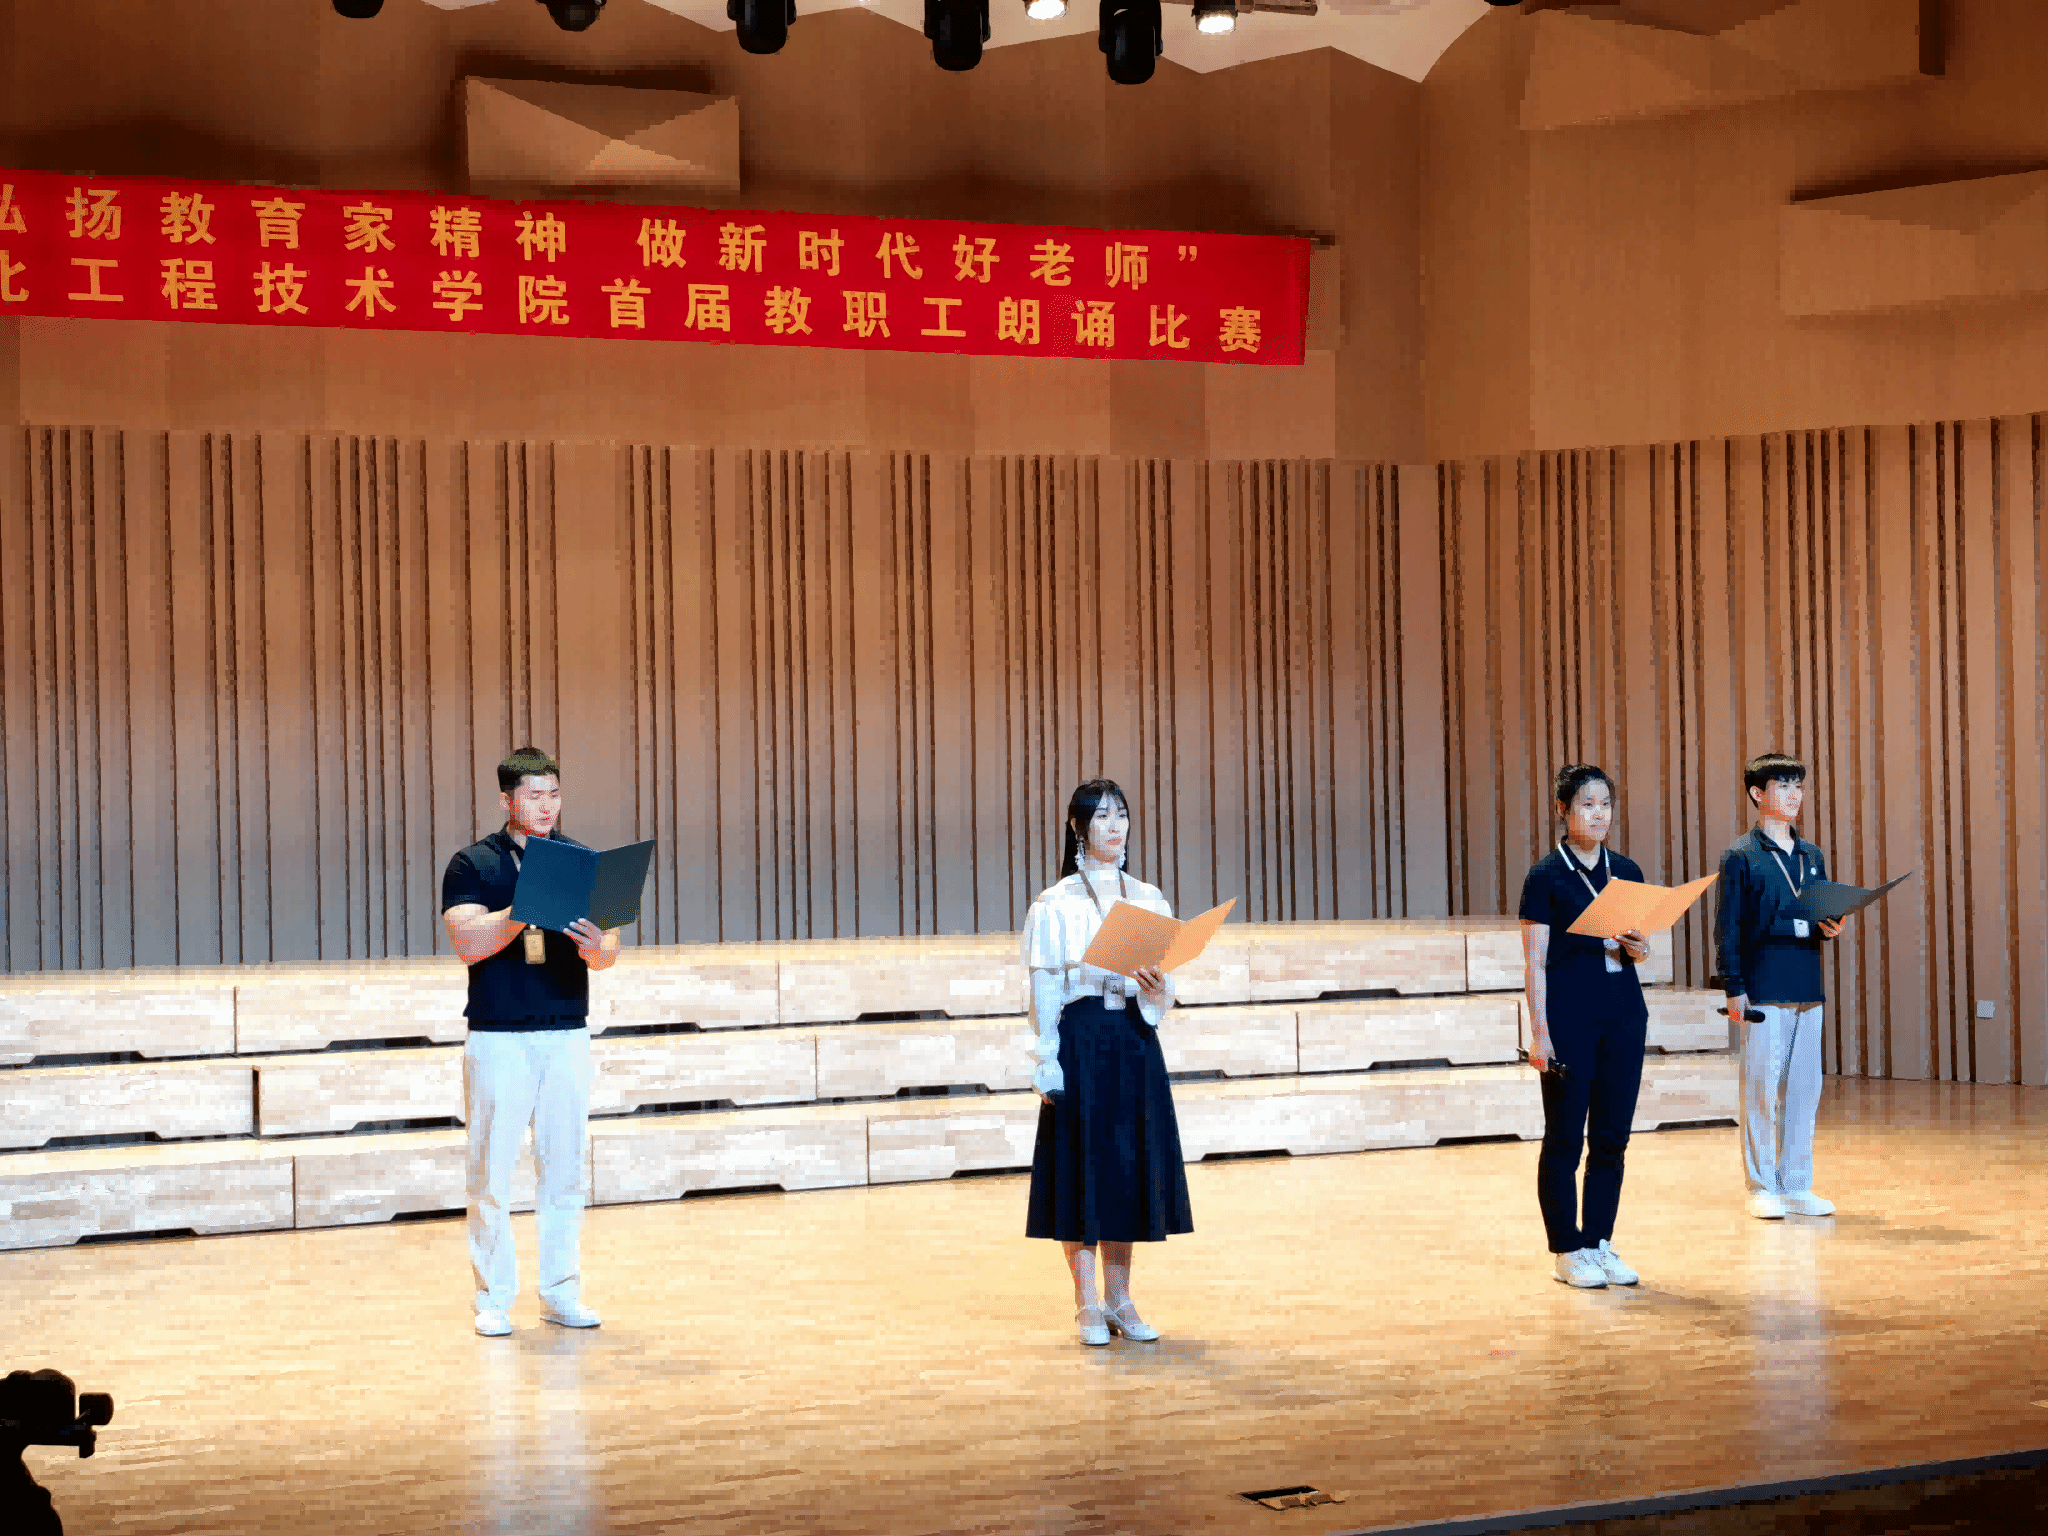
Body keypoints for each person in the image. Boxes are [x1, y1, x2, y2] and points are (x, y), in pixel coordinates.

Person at [441, 745, 621, 1337]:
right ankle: (493, 1298)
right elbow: (468, 944)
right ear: (506, 800)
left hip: (566, 1030)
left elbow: (609, 951)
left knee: (564, 1170)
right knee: (491, 1172)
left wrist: (596, 947)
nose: (546, 806)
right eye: (533, 796)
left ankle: (561, 1293)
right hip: (500, 1035)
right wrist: (526, 907)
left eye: (554, 794)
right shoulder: (473, 864)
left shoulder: (582, 860)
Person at [1023, 778, 1193, 1345]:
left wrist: (1158, 989)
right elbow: (1046, 987)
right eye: (1100, 816)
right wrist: (1047, 1058)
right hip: (1083, 1037)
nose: (1114, 825)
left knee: (1126, 1169)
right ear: (1078, 828)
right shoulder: (1055, 902)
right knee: (1081, 1170)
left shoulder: (1147, 898)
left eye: (1120, 814)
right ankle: (1087, 1304)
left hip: (1132, 1038)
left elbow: (1163, 983)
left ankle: (1121, 1301)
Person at [1518, 764, 1654, 1290]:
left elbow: (1636, 949)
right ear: (1563, 810)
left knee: (1612, 1138)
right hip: (1570, 1020)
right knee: (1564, 1139)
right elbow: (1535, 963)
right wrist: (1540, 1033)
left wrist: (1639, 948)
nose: (1599, 815)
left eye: (1605, 804)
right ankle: (1566, 1249)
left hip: (1624, 1015)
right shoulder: (1546, 876)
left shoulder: (1626, 870)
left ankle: (1598, 1242)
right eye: (1587, 805)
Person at [1716, 751, 1843, 1221]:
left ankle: (1796, 1184)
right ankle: (1762, 1185)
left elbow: (1817, 913)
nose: (1794, 795)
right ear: (1757, 794)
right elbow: (1727, 928)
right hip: (1763, 986)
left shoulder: (1812, 855)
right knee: (1762, 1090)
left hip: (1807, 982)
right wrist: (1733, 986)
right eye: (1784, 786)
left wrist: (1830, 926)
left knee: (1805, 1091)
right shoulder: (1740, 856)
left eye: (1798, 786)